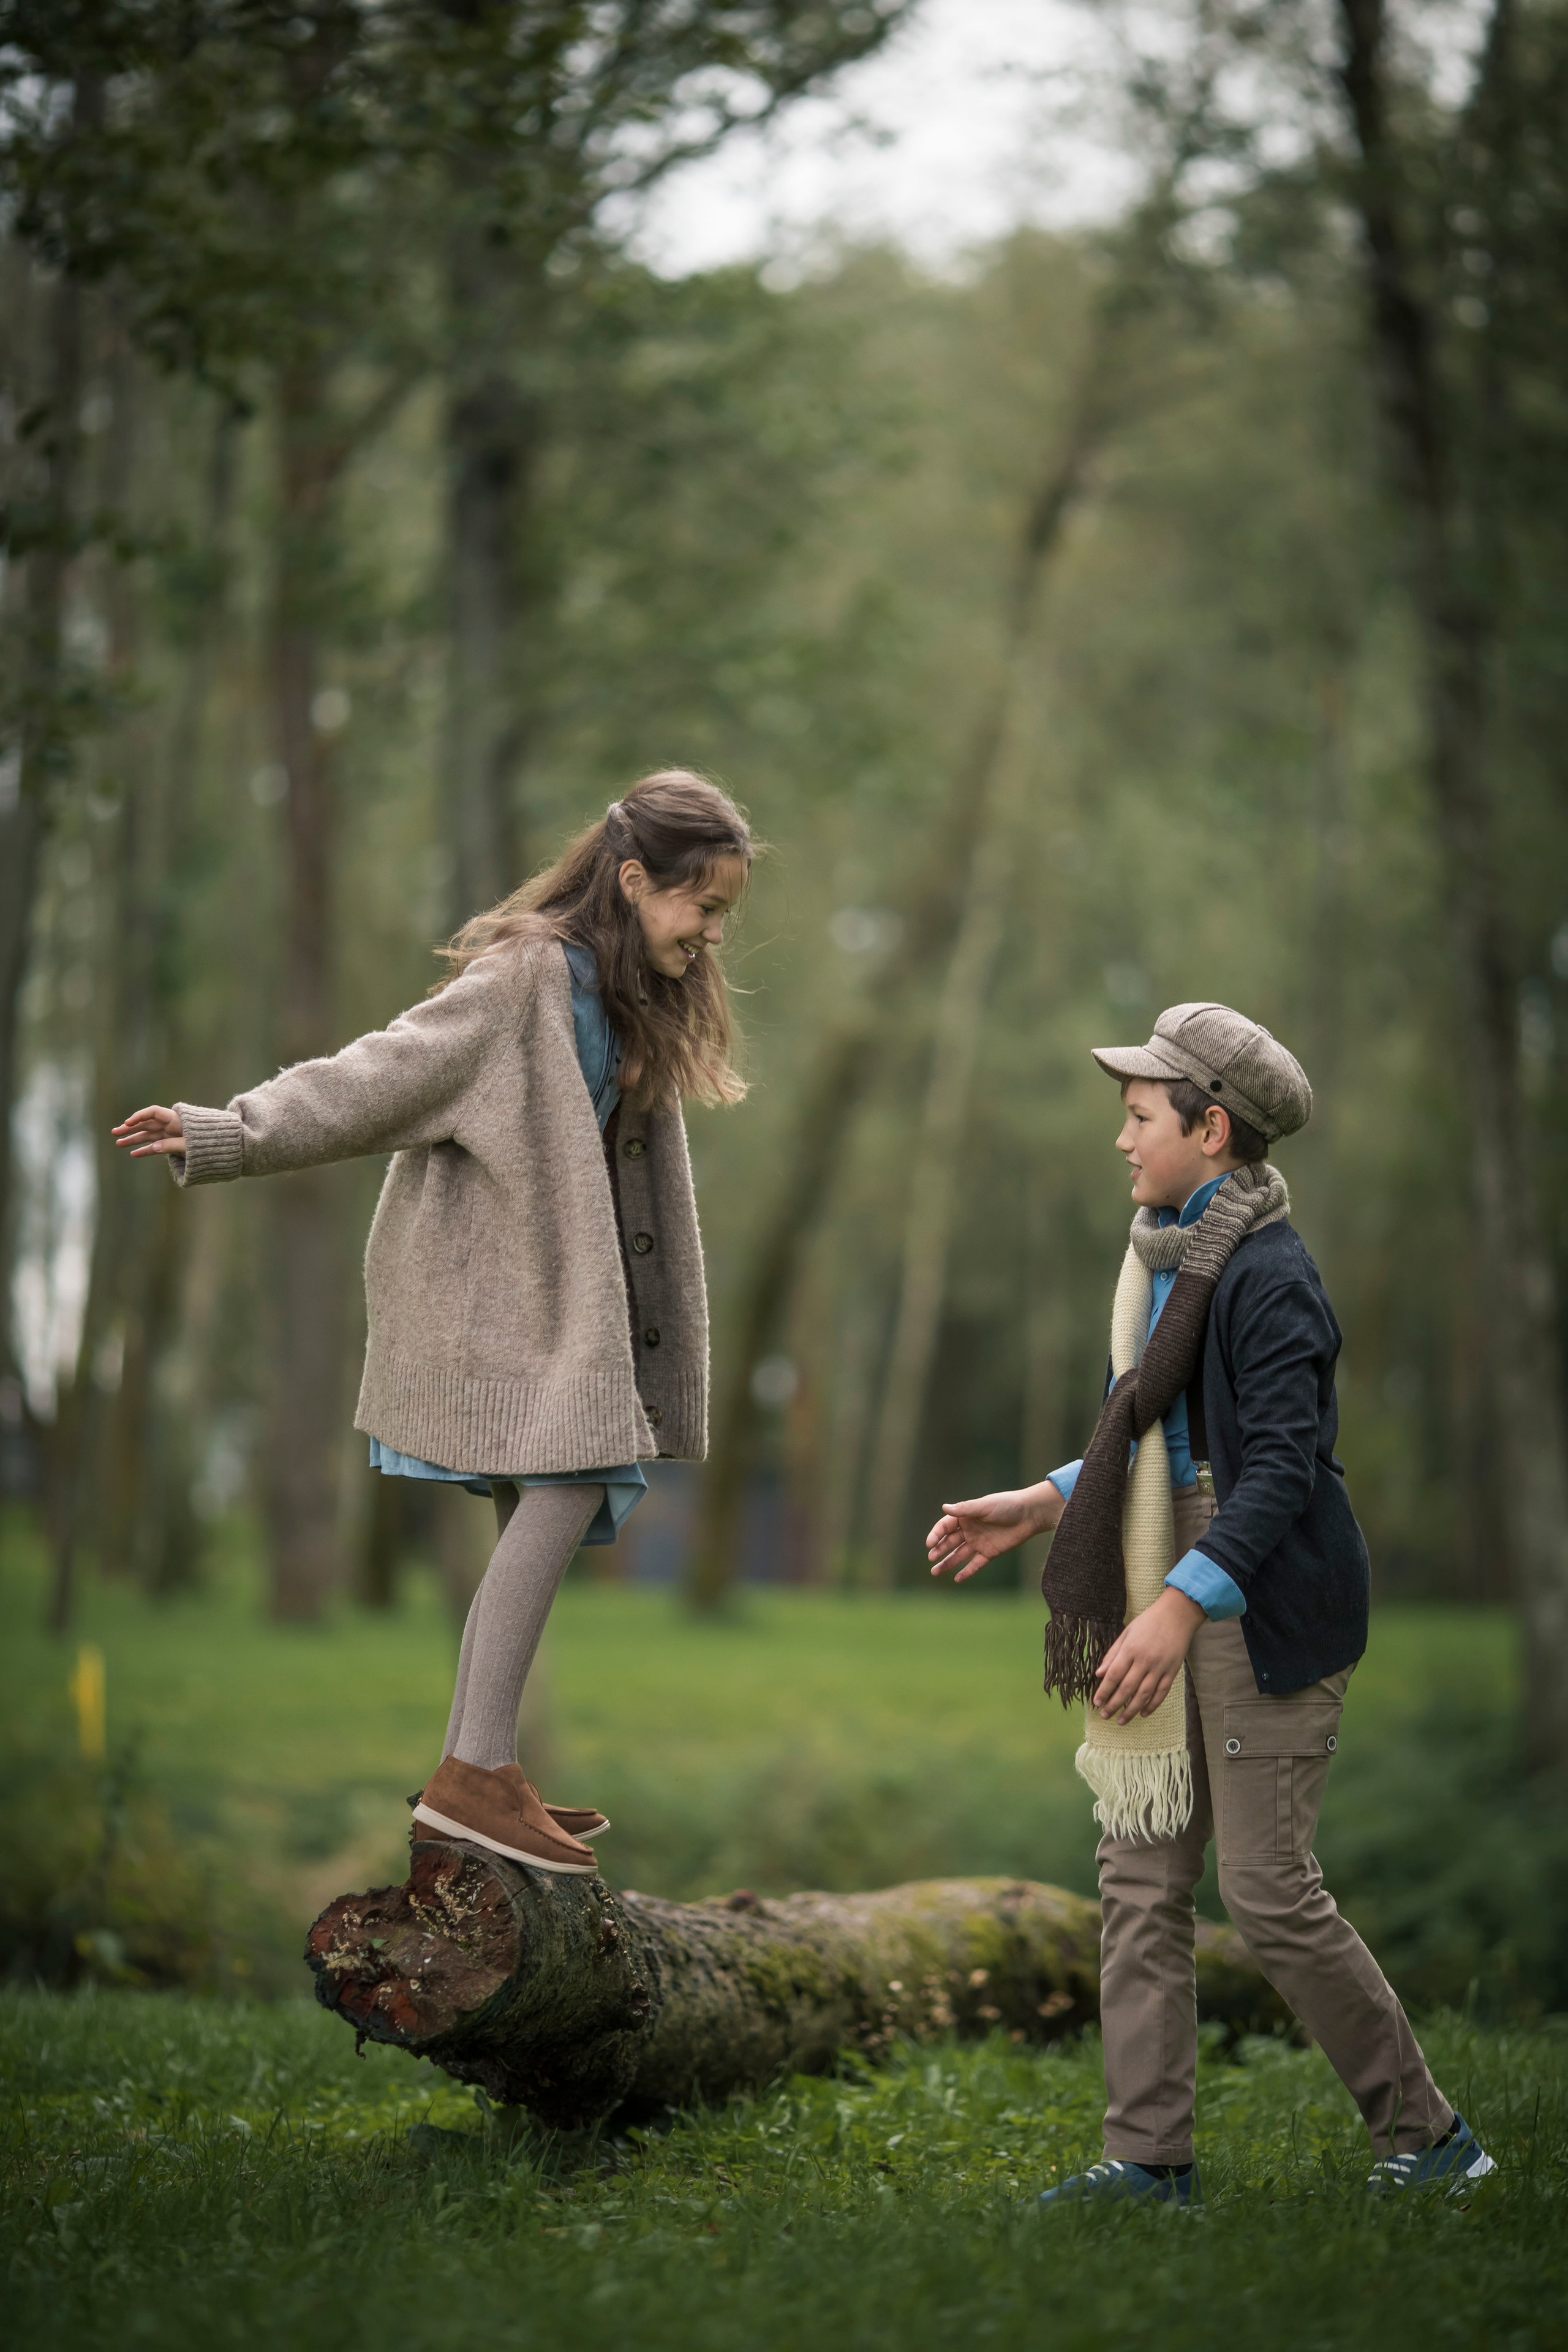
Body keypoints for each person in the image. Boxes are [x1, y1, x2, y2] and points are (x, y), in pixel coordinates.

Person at [116, 770, 752, 1875]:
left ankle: (482, 1772)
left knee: (556, 1492)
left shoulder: (620, 991)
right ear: (636, 880)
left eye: (722, 916)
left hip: (561, 1307)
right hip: (489, 1305)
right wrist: (231, 1131)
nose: (709, 935)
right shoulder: (523, 982)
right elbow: (379, 1074)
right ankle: (471, 1777)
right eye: (701, 907)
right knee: (574, 1478)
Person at [927, 1002, 1495, 2206]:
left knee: (1268, 1894)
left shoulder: (1270, 1277)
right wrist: (1038, 1501)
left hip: (1261, 1593)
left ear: (1212, 1126)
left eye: (1139, 1118)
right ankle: (1147, 2160)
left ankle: (1433, 2141)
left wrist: (1180, 1608)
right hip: (1166, 1572)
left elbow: (1274, 1472)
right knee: (1136, 1878)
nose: (1121, 1141)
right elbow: (1161, 1451)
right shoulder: (1157, 1267)